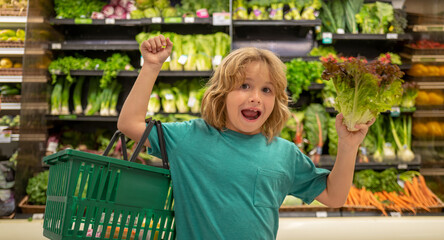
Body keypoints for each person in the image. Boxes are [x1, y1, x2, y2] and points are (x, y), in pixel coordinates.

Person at [118, 35, 375, 239]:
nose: (256, 97)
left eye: (267, 90)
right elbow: (130, 124)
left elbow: (334, 196)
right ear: (222, 93)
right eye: (244, 86)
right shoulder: (188, 138)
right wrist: (151, 66)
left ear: (277, 101)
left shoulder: (284, 153)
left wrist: (348, 146)